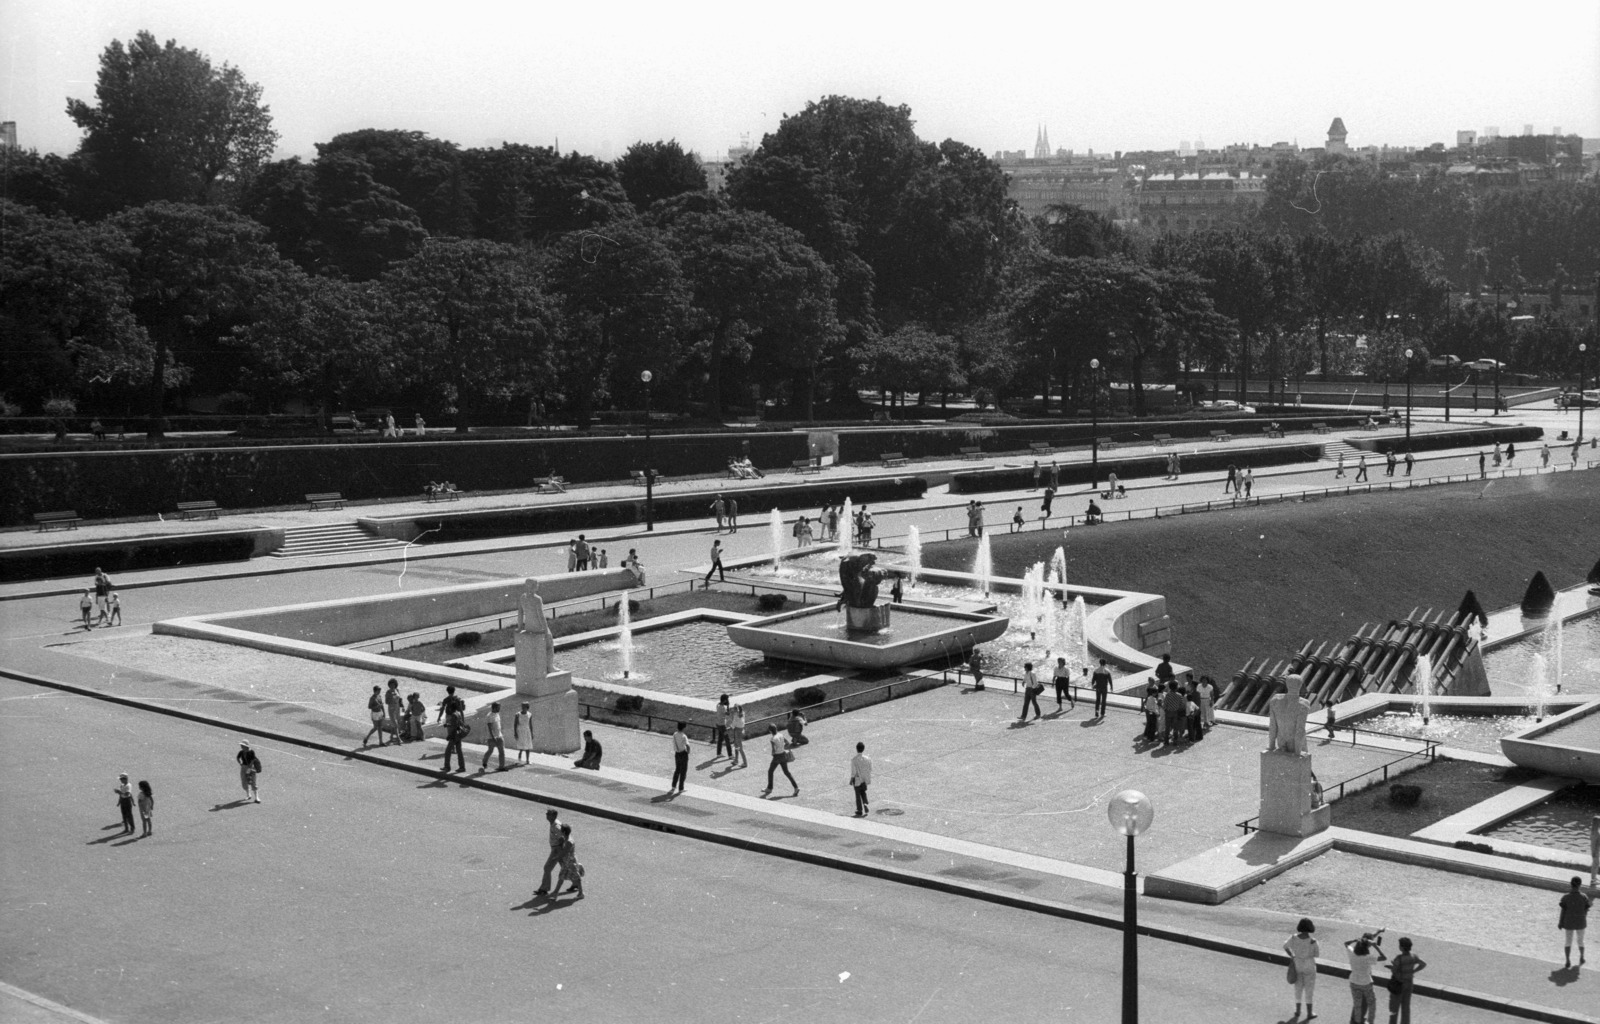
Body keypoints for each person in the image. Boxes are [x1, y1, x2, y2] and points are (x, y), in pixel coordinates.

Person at [1344, 932, 1386, 1024]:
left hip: (1353, 982)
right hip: (1366, 983)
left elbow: (1346, 943)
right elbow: (1383, 957)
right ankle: (1361, 1020)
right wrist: (1376, 946)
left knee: (1357, 1002)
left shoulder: (1352, 953)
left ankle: (1354, 1020)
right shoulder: (1368, 958)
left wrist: (1355, 940)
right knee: (1368, 1002)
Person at [1284, 918, 1321, 1022]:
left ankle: (1298, 1011)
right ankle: (1309, 1013)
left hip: (1297, 964)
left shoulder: (1294, 938)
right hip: (1309, 965)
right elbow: (1317, 955)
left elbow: (1285, 946)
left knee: (1298, 988)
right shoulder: (1313, 941)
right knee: (1309, 990)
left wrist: (1292, 955)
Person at [1385, 937, 1426, 1024]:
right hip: (1409, 983)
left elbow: (1395, 970)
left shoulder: (1399, 958)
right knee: (1406, 1007)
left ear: (1402, 947)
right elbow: (1423, 964)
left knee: (1394, 1009)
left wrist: (1389, 967)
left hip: (1399, 984)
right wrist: (1414, 971)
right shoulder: (1414, 956)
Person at [1559, 876, 1592, 968]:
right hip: (1580, 922)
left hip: (1568, 922)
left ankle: (1567, 960)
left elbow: (1563, 911)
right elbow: (1586, 910)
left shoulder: (1565, 897)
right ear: (1580, 885)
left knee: (1568, 941)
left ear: (1571, 884)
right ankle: (1581, 957)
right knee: (1580, 941)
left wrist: (1560, 922)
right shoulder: (1584, 897)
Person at [761, 724, 798, 797]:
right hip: (783, 755)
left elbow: (773, 750)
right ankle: (796, 787)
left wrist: (773, 753)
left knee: (770, 771)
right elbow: (787, 743)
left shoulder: (772, 739)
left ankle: (769, 788)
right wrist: (782, 748)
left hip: (777, 757)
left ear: (770, 731)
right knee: (787, 772)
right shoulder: (781, 735)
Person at [535, 809, 565, 896]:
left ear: (554, 816)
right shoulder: (554, 823)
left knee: (547, 868)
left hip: (557, 849)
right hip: (557, 849)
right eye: (547, 813)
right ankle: (576, 882)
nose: (546, 815)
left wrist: (559, 851)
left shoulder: (556, 826)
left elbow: (562, 838)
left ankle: (544, 889)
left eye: (548, 814)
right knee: (566, 866)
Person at [554, 823, 584, 897]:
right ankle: (555, 893)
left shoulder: (569, 842)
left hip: (570, 862)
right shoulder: (566, 838)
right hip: (568, 861)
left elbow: (564, 852)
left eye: (561, 830)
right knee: (564, 877)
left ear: (564, 832)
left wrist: (556, 858)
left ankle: (581, 893)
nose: (559, 831)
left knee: (573, 877)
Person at [441, 700, 467, 773]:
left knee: (447, 752)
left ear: (451, 708)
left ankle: (447, 767)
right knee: (459, 751)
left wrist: (449, 732)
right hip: (458, 735)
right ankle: (462, 767)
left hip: (454, 735)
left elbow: (454, 726)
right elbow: (459, 724)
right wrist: (449, 724)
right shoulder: (458, 714)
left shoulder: (453, 715)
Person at [480, 702, 507, 771]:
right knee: (490, 750)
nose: (499, 709)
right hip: (492, 737)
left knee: (502, 751)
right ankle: (484, 761)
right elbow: (490, 727)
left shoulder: (497, 714)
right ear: (494, 708)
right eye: (498, 707)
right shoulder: (489, 716)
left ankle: (501, 766)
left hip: (499, 735)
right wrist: (493, 736)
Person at [850, 741, 872, 817]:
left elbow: (853, 771)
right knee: (863, 792)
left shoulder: (854, 760)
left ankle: (859, 810)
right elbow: (870, 768)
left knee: (858, 795)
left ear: (856, 749)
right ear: (863, 749)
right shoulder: (867, 759)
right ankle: (865, 804)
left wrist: (851, 779)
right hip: (864, 779)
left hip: (857, 780)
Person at [1162, 681, 1188, 745]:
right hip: (1175, 713)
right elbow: (1181, 704)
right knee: (1175, 727)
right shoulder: (1179, 695)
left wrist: (1165, 710)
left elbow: (1165, 704)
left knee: (1167, 727)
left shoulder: (1167, 695)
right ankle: (1175, 741)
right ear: (1176, 687)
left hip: (1168, 712)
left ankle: (1166, 741)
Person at [669, 722, 690, 793]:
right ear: (683, 728)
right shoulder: (684, 736)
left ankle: (673, 786)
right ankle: (681, 788)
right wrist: (688, 752)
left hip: (677, 754)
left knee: (677, 770)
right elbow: (688, 745)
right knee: (683, 771)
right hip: (683, 754)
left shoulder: (674, 734)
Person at [384, 679, 404, 744]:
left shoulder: (397, 690)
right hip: (391, 708)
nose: (392, 686)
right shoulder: (388, 692)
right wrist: (392, 700)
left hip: (397, 708)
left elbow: (400, 699)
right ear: (389, 685)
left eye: (393, 684)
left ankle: (391, 737)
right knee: (395, 724)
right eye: (391, 685)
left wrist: (402, 706)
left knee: (396, 722)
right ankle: (398, 739)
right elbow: (386, 702)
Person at [713, 695, 732, 759]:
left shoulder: (718, 705)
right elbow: (728, 713)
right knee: (727, 740)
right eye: (726, 699)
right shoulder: (723, 708)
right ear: (724, 700)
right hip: (722, 726)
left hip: (718, 724)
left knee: (720, 739)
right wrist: (728, 705)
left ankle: (719, 753)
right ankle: (730, 755)